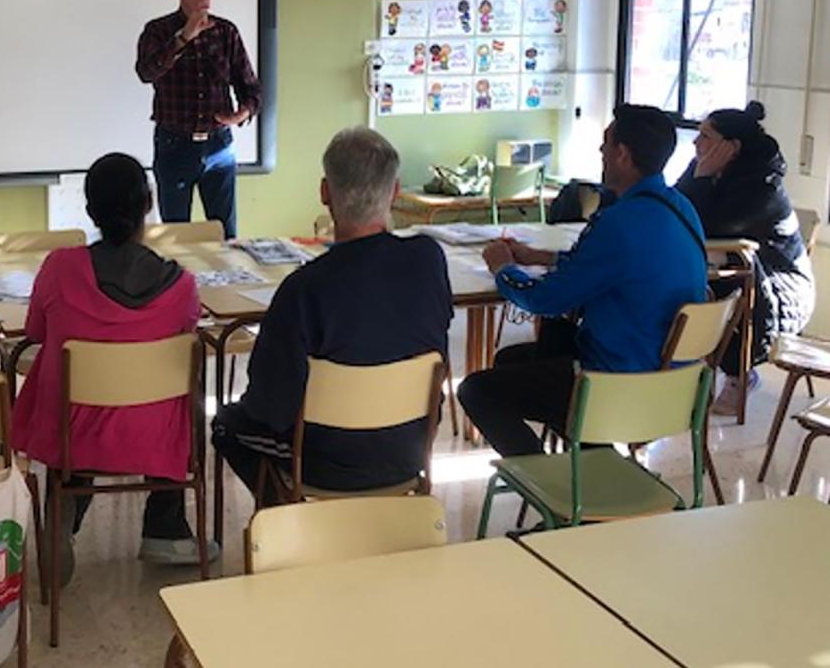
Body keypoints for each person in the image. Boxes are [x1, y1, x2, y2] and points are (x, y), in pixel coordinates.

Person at [212, 127, 452, 501]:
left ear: (325, 193)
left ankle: (291, 523)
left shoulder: (303, 288)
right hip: (408, 449)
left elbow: (267, 405)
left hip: (320, 461)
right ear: (395, 190)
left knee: (227, 425)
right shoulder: (429, 260)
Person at [458, 105, 708, 457]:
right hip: (676, 382)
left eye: (606, 144)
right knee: (514, 362)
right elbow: (620, 267)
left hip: (616, 382)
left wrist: (503, 269)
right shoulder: (681, 209)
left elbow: (545, 300)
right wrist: (542, 258)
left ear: (622, 154)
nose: (600, 152)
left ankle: (548, 480)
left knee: (476, 390)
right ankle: (595, 462)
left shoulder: (619, 222)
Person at [10, 153, 211, 580]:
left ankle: (64, 506)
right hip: (154, 435)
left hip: (74, 432)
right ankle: (165, 527)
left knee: (76, 396)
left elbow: (35, 331)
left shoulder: (59, 268)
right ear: (149, 203)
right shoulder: (183, 287)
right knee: (184, 395)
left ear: (89, 211)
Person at [675, 101, 816, 415]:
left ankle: (739, 372)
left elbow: (706, 227)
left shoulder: (763, 188)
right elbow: (674, 210)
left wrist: (700, 177)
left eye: (706, 137)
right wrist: (697, 174)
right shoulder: (710, 171)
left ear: (732, 147)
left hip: (781, 291)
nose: (696, 143)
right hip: (747, 277)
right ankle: (683, 362)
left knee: (731, 278)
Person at [135, 0, 260, 239]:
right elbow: (146, 72)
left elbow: (251, 89)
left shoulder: (226, 32)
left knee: (225, 235)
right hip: (174, 146)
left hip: (219, 146)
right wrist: (183, 38)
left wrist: (243, 112)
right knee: (176, 237)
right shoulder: (158, 31)